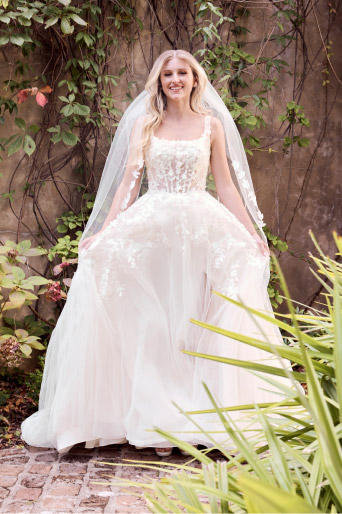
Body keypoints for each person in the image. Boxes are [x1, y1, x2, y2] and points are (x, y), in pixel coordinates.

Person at [21, 49, 290, 458]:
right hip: (154, 228)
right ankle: (153, 417)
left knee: (196, 316)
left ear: (195, 79)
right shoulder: (146, 124)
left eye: (183, 72)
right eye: (169, 74)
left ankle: (203, 414)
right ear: (160, 81)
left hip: (199, 227)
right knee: (154, 320)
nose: (176, 79)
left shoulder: (211, 126)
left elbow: (226, 185)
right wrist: (105, 231)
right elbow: (130, 182)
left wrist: (253, 233)